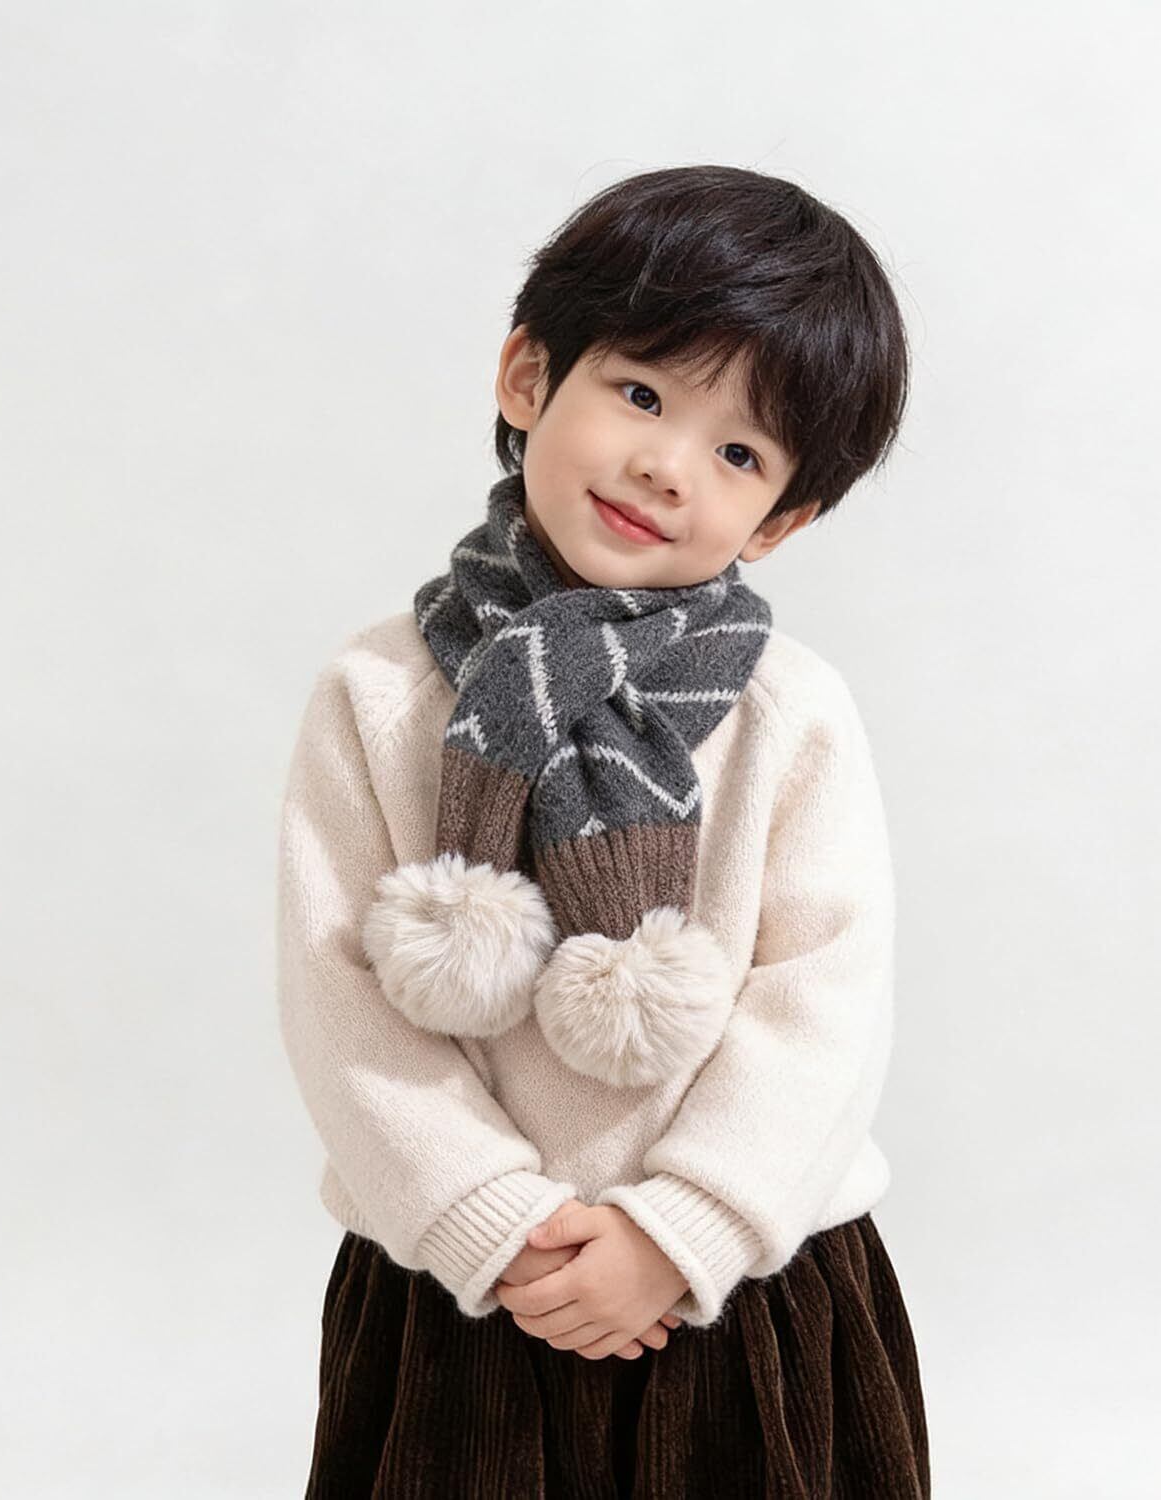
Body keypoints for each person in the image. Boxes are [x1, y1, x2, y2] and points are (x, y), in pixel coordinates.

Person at [278, 163, 930, 1498]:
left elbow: (824, 1001)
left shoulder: (790, 713)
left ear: (783, 519)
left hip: (742, 1294)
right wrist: (495, 1222)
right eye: (641, 394)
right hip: (462, 1296)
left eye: (739, 453)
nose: (664, 466)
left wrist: (682, 1228)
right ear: (529, 376)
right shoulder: (380, 693)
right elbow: (338, 992)